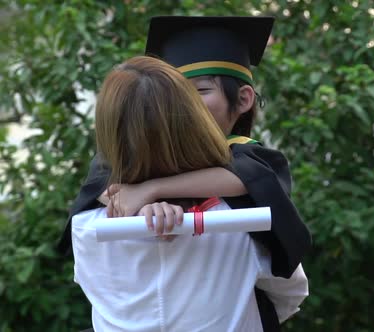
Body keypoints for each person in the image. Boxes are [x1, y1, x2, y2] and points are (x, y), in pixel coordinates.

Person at [60, 16, 311, 331]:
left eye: (201, 91)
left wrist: (150, 190)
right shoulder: (234, 221)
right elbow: (290, 290)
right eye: (179, 98)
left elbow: (253, 178)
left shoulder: (89, 228)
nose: (187, 108)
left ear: (244, 99)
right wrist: (136, 203)